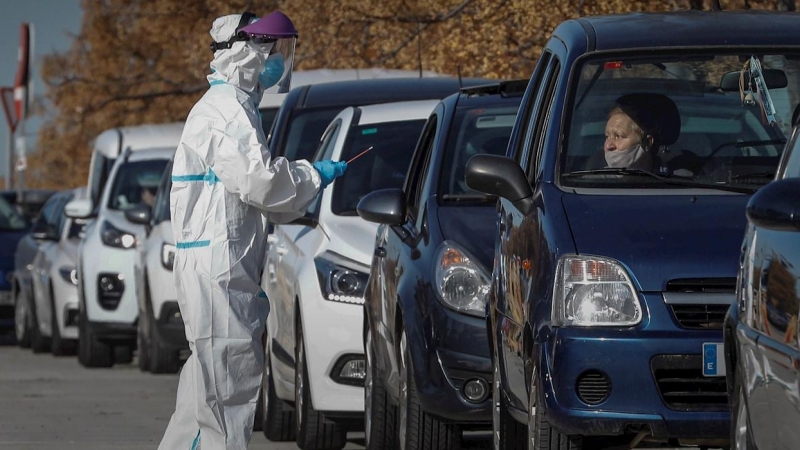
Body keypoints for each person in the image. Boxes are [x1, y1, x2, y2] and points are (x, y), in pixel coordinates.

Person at [159, 11, 346, 450]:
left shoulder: (233, 107)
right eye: (274, 51)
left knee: (203, 398)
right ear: (249, 52)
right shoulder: (226, 112)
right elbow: (260, 183)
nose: (279, 61)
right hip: (217, 270)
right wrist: (311, 176)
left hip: (219, 264)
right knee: (227, 391)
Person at [586, 103, 658, 171]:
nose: (608, 146)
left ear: (647, 142)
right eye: (607, 137)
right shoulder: (592, 181)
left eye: (618, 136)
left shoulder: (666, 178)